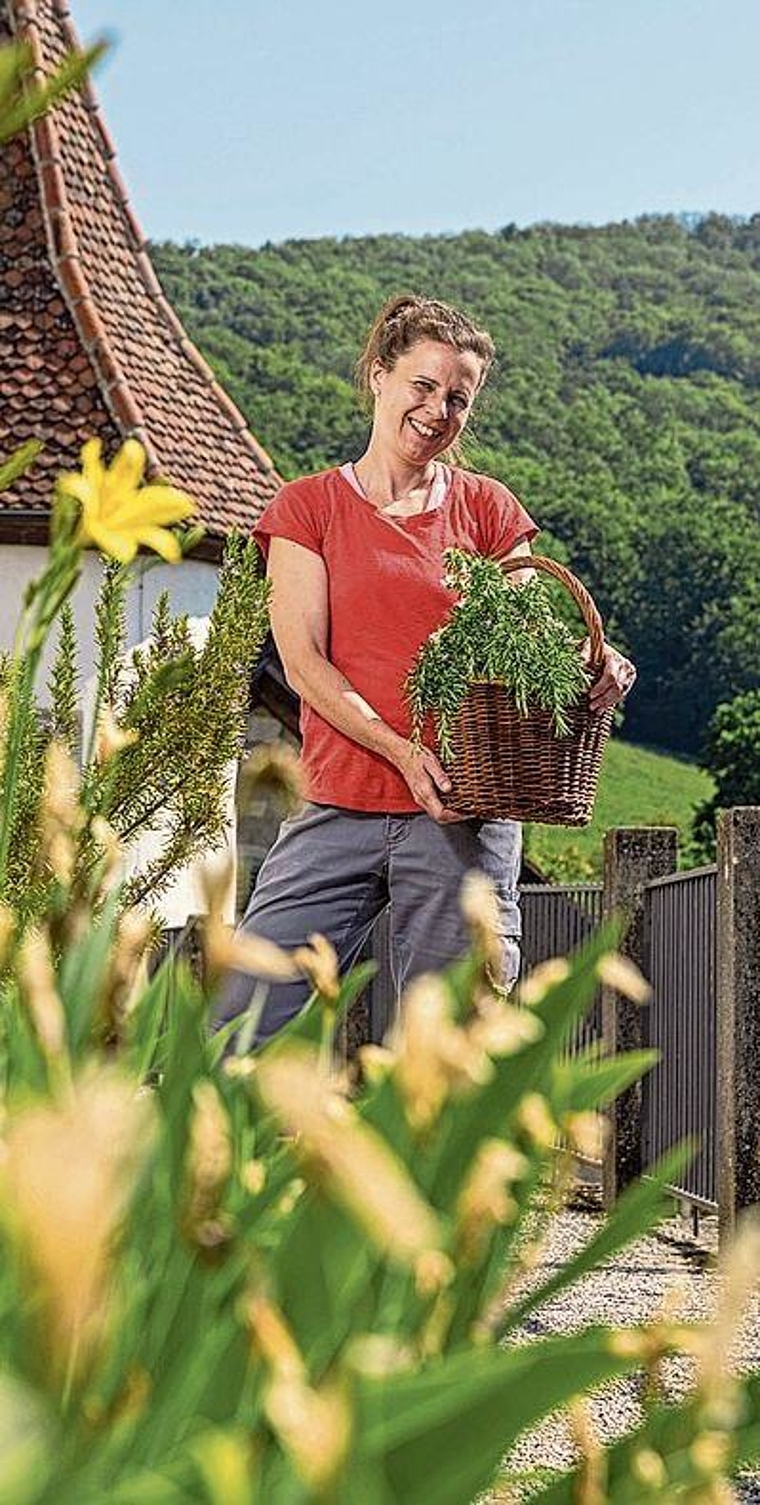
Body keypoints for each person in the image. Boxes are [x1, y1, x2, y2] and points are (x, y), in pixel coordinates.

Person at [218, 294, 635, 1043]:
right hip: (340, 800)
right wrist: (401, 752)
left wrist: (596, 663)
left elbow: (524, 640)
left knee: (447, 1059)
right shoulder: (307, 508)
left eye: (458, 398)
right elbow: (305, 662)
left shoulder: (487, 509)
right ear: (379, 375)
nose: (439, 410)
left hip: (463, 810)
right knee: (239, 1022)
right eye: (423, 385)